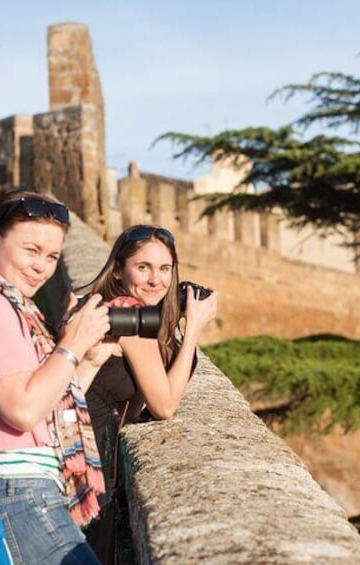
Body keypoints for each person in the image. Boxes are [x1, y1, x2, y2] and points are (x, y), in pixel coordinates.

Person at [0, 189, 114, 564]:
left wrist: (89, 359)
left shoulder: (14, 307)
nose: (42, 267)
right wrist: (72, 343)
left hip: (29, 486)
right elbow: (21, 410)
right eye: (31, 250)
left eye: (52, 256)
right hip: (12, 491)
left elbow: (46, 401)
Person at [81, 225, 218, 563]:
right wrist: (193, 332)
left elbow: (135, 399)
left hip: (88, 460)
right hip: (85, 471)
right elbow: (165, 406)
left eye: (164, 269)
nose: (156, 280)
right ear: (118, 269)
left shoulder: (111, 308)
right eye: (143, 267)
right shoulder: (129, 315)